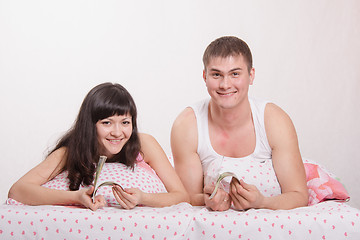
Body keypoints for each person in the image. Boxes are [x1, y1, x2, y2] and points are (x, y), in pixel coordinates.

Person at [171, 36, 309, 211]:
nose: (225, 84)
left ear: (251, 75)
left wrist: (262, 203)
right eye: (216, 74)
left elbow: (298, 195)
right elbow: (187, 197)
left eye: (235, 74)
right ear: (205, 77)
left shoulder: (274, 120)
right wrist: (208, 200)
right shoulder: (187, 125)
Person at [8, 82, 189, 211]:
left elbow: (181, 196)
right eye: (107, 123)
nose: (118, 132)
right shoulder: (68, 153)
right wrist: (75, 198)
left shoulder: (145, 145)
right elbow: (18, 190)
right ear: (90, 124)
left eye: (125, 122)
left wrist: (143, 198)